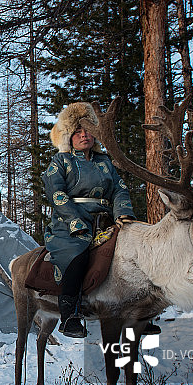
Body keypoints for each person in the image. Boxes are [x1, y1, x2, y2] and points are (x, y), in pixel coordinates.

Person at [42, 102, 139, 338]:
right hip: (69, 222)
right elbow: (56, 193)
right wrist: (74, 220)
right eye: (77, 131)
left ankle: (140, 311)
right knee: (77, 255)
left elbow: (119, 189)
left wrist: (123, 213)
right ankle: (70, 316)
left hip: (105, 220)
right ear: (68, 136)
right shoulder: (60, 162)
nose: (84, 135)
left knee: (135, 252)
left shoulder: (105, 162)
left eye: (87, 130)